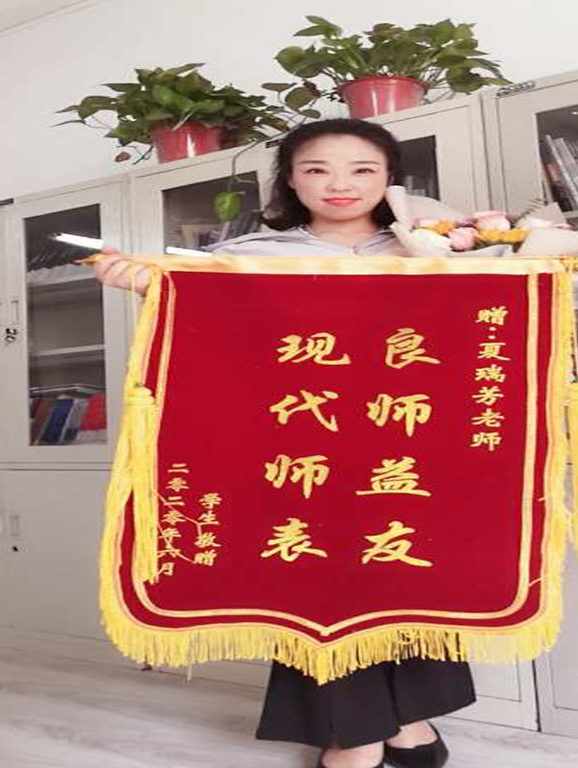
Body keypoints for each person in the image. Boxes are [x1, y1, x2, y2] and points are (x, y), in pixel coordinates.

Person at [90, 118, 476, 768]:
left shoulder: (436, 247)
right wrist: (148, 284)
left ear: (390, 180)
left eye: (362, 170)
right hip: (302, 447)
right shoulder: (251, 254)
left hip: (406, 440)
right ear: (291, 181)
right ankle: (354, 735)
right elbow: (212, 335)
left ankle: (410, 718)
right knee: (319, 587)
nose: (340, 184)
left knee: (406, 571)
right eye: (317, 169)